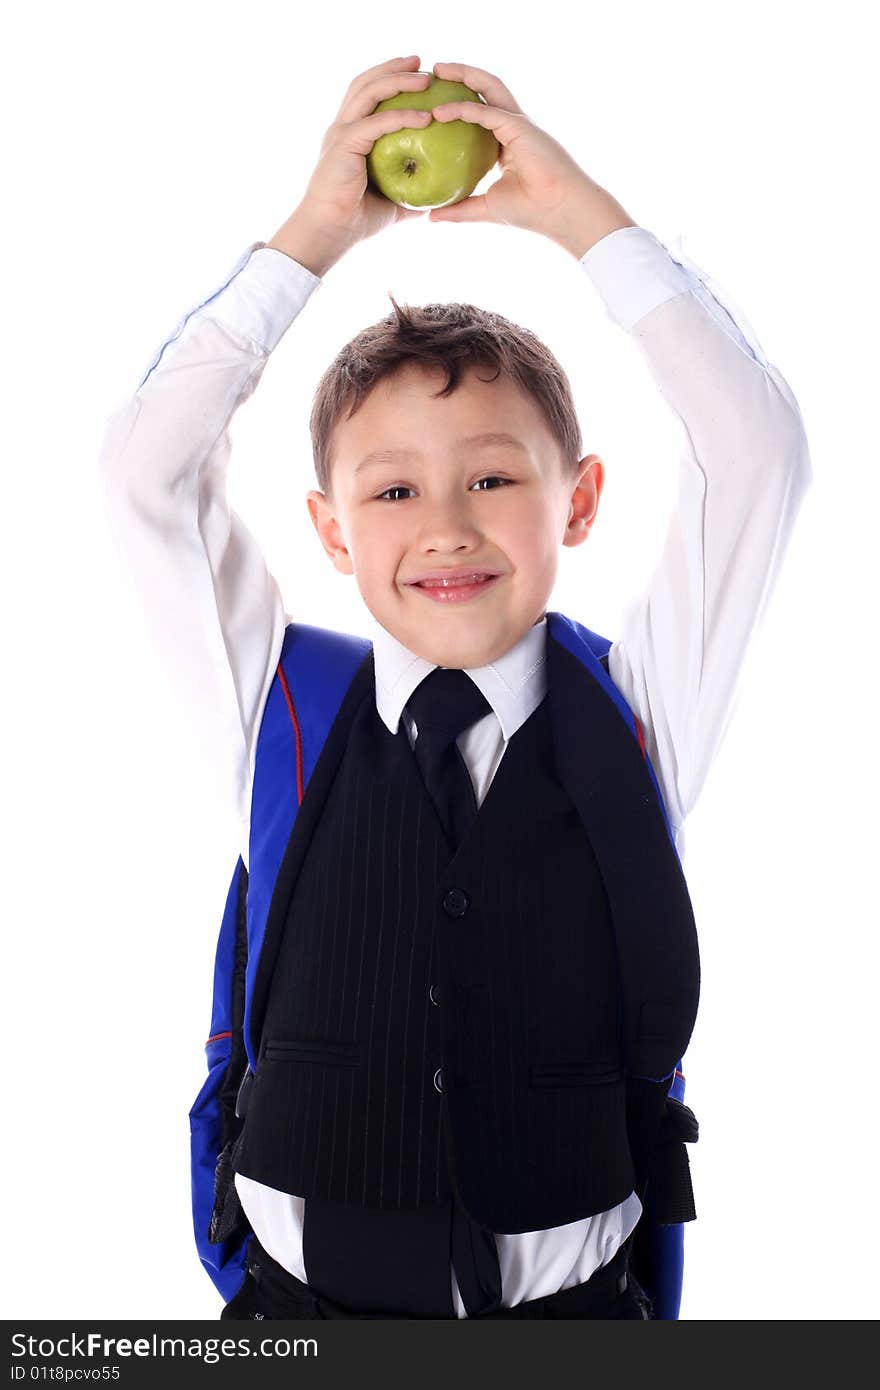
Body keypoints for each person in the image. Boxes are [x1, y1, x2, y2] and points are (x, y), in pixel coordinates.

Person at [98, 55, 812, 1320]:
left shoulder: (638, 713)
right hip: (295, 1316)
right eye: (390, 491)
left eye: (491, 478)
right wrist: (317, 235)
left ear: (577, 500)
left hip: (571, 1313)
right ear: (328, 530)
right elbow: (145, 473)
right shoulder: (279, 707)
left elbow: (754, 449)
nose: (444, 527)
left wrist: (578, 218)